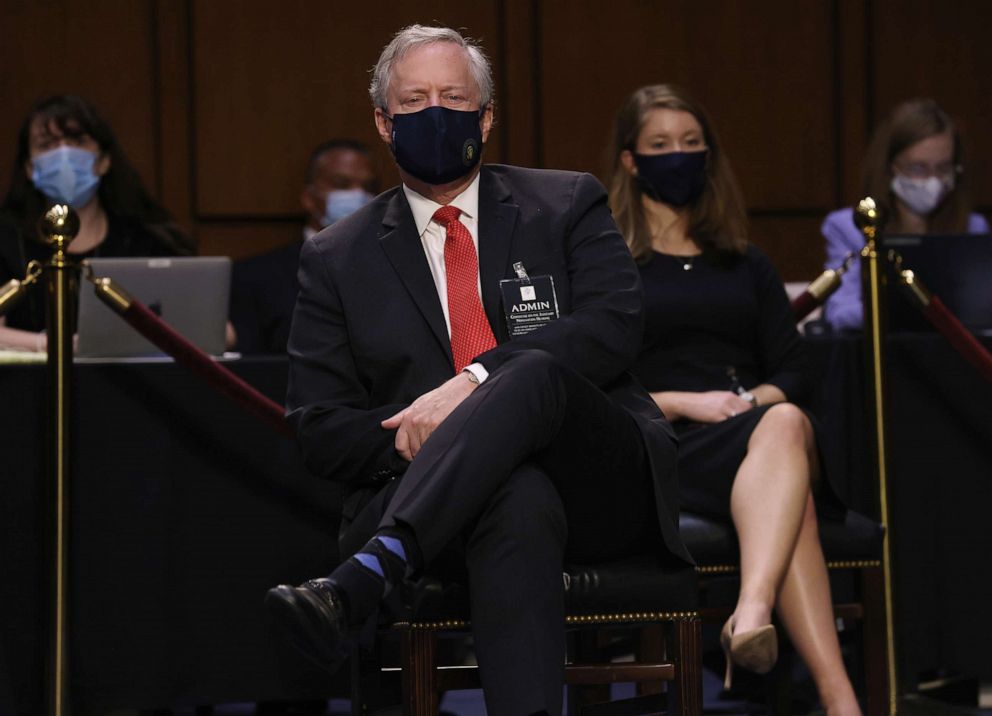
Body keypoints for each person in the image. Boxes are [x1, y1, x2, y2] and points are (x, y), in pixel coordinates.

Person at [265, 26, 690, 715]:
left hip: (595, 482)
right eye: (415, 100)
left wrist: (470, 386)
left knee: (528, 373)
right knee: (515, 492)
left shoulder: (566, 202)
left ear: (486, 117)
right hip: (445, 502)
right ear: (383, 122)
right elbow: (320, 427)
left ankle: (367, 575)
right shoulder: (336, 257)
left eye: (454, 97)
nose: (436, 112)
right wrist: (419, 435)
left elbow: (614, 328)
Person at [607, 84, 862, 715]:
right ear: (631, 161)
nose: (680, 156)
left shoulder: (744, 261)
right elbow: (597, 379)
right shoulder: (610, 263)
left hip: (752, 431)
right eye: (661, 145)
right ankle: (839, 700)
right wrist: (685, 402)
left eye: (692, 144)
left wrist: (747, 403)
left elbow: (795, 368)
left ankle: (753, 614)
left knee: (783, 422)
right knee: (789, 465)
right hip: (665, 440)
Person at [0, 94, 193, 351]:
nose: (64, 154)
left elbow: (215, 331)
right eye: (47, 145)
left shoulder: (145, 242)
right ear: (29, 167)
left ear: (103, 161)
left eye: (77, 141)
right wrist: (51, 345)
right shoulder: (5, 242)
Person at [822, 98, 990, 330]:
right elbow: (839, 313)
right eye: (918, 168)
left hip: (953, 358)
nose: (932, 180)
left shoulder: (974, 227)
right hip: (881, 355)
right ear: (891, 167)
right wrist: (911, 310)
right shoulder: (849, 226)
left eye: (943, 168)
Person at [229, 139, 378, 354]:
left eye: (368, 187)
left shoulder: (397, 267)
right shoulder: (256, 277)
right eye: (342, 185)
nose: (358, 195)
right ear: (309, 198)